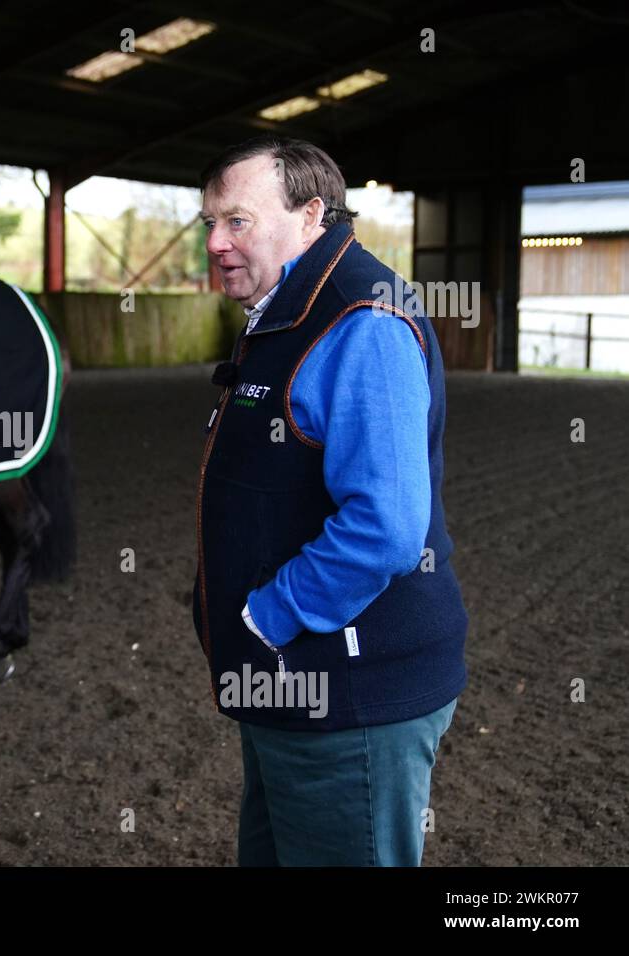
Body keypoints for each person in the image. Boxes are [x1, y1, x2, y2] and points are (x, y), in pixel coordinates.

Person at [193, 135, 468, 865]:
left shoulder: (359, 321)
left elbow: (385, 529)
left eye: (237, 221)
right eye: (209, 224)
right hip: (287, 688)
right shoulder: (290, 307)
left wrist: (263, 617)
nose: (216, 243)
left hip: (347, 699)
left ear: (311, 214)